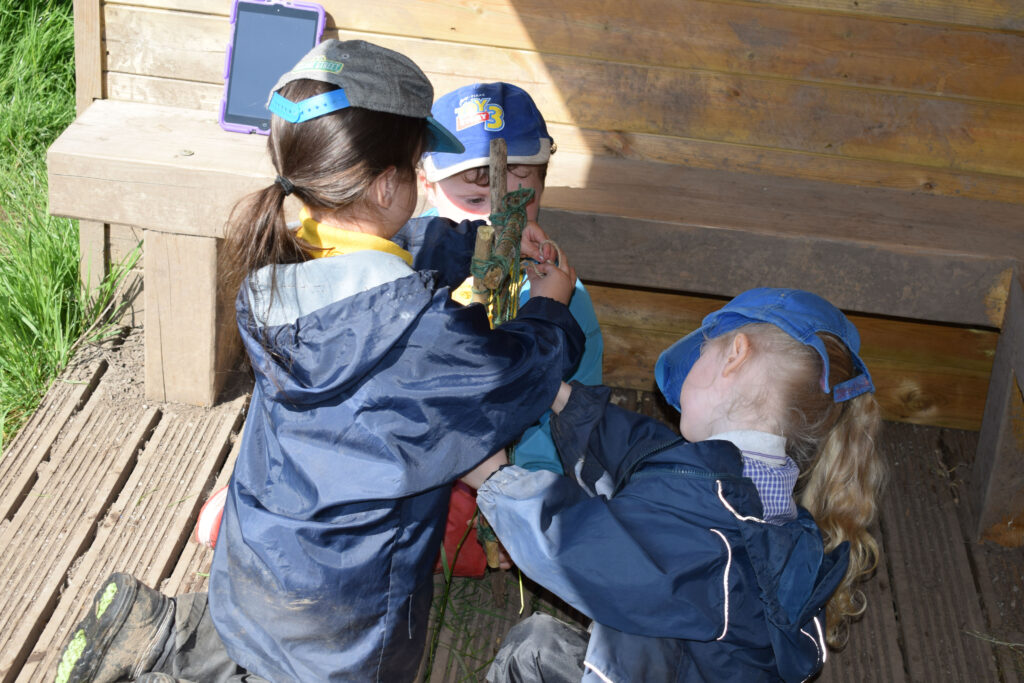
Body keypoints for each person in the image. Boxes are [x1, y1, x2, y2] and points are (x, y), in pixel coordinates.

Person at [54, 39, 584, 683]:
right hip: (350, 630)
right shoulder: (422, 340)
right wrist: (551, 311)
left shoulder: (278, 268)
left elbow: (387, 257)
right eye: (418, 161)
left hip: (255, 573)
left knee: (261, 652)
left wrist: (473, 238)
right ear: (391, 184)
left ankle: (168, 646)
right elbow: (519, 376)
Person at [476, 287, 887, 682]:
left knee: (528, 653)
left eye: (704, 349)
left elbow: (577, 551)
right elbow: (646, 453)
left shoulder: (711, 531)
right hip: (682, 667)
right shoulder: (752, 493)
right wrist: (554, 391)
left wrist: (493, 475)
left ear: (734, 355)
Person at [418, 82, 605, 577]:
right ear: (427, 186)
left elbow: (569, 410)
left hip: (502, 475)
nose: (497, 217)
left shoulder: (561, 295)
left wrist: (524, 489)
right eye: (475, 198)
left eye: (518, 200)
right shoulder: (410, 275)